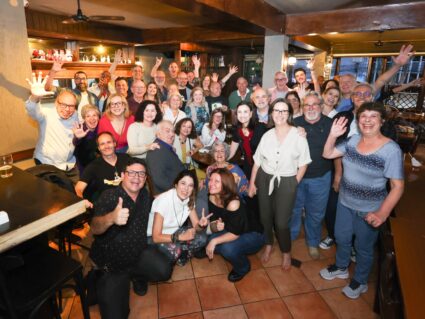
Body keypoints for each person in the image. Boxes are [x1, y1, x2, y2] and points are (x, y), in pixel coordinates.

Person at [320, 102, 404, 299]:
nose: (367, 120)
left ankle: (360, 280)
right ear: (357, 121)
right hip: (345, 202)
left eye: (373, 116)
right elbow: (328, 154)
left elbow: (398, 186)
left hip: (369, 209)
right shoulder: (352, 140)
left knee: (363, 248)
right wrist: (332, 135)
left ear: (382, 121)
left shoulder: (391, 150)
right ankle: (341, 267)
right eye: (363, 116)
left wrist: (382, 213)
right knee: (341, 238)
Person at [89, 157, 172, 319]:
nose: (137, 177)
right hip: (113, 267)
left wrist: (177, 192)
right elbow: (94, 227)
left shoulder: (144, 196)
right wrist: (111, 218)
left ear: (145, 178)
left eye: (141, 174)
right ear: (122, 175)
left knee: (164, 270)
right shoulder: (110, 196)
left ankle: (137, 276)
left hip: (137, 255)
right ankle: (96, 278)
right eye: (132, 173)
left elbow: (158, 202)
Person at [248, 98, 311, 269]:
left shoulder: (298, 135)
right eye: (276, 110)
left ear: (289, 114)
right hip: (265, 178)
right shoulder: (267, 135)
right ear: (271, 113)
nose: (280, 114)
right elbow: (257, 162)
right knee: (265, 217)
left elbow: (304, 163)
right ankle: (268, 244)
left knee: (282, 223)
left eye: (284, 111)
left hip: (287, 180)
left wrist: (294, 182)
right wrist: (252, 184)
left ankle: (286, 251)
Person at [290, 92, 333, 259]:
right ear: (302, 107)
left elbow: (337, 152)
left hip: (320, 177)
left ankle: (313, 242)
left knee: (315, 212)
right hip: (296, 176)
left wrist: (337, 177)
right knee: (293, 209)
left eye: (315, 104)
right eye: (307, 105)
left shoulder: (330, 124)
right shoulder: (294, 123)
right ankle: (291, 236)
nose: (311, 108)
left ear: (321, 107)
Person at [206, 168, 264, 282]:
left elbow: (236, 233)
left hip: (253, 233)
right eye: (210, 179)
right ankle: (233, 249)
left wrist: (214, 242)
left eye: (216, 181)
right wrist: (214, 226)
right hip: (232, 228)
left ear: (225, 184)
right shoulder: (212, 196)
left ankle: (243, 267)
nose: (211, 183)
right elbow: (215, 222)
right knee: (211, 240)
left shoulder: (233, 202)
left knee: (227, 248)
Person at [147, 170, 210, 266]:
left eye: (190, 185)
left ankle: (182, 252)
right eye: (183, 183)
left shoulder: (189, 200)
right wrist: (182, 237)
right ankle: (182, 252)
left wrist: (201, 225)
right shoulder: (164, 201)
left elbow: (197, 227)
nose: (186, 189)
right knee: (176, 250)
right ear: (176, 184)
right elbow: (156, 237)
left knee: (203, 238)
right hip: (155, 237)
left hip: (175, 231)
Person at [25, 73, 79, 182]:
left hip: (69, 164)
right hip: (47, 164)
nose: (67, 109)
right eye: (63, 104)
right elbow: (32, 110)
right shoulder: (46, 114)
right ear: (56, 103)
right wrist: (34, 97)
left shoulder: (75, 115)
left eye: (71, 106)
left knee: (74, 196)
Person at [74, 132, 130, 204]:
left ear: (114, 144)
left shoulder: (126, 158)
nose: (106, 146)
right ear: (99, 148)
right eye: (102, 144)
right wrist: (82, 202)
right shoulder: (93, 166)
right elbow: (78, 188)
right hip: (108, 205)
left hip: (128, 200)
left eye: (109, 142)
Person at [228, 101, 268, 179]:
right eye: (239, 112)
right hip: (248, 165)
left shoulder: (261, 128)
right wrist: (222, 160)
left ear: (250, 114)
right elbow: (231, 151)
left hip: (262, 167)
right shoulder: (237, 130)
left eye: (245, 112)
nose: (242, 115)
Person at [146, 120, 185, 195]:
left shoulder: (164, 146)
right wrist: (178, 191)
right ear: (158, 134)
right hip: (168, 195)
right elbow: (158, 180)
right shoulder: (157, 151)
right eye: (167, 131)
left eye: (173, 131)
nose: (172, 134)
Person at [72, 104, 100, 174]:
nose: (92, 118)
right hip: (83, 167)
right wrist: (78, 138)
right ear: (84, 119)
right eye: (88, 116)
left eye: (94, 115)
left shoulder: (101, 128)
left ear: (98, 117)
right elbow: (76, 142)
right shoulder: (80, 129)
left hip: (98, 165)